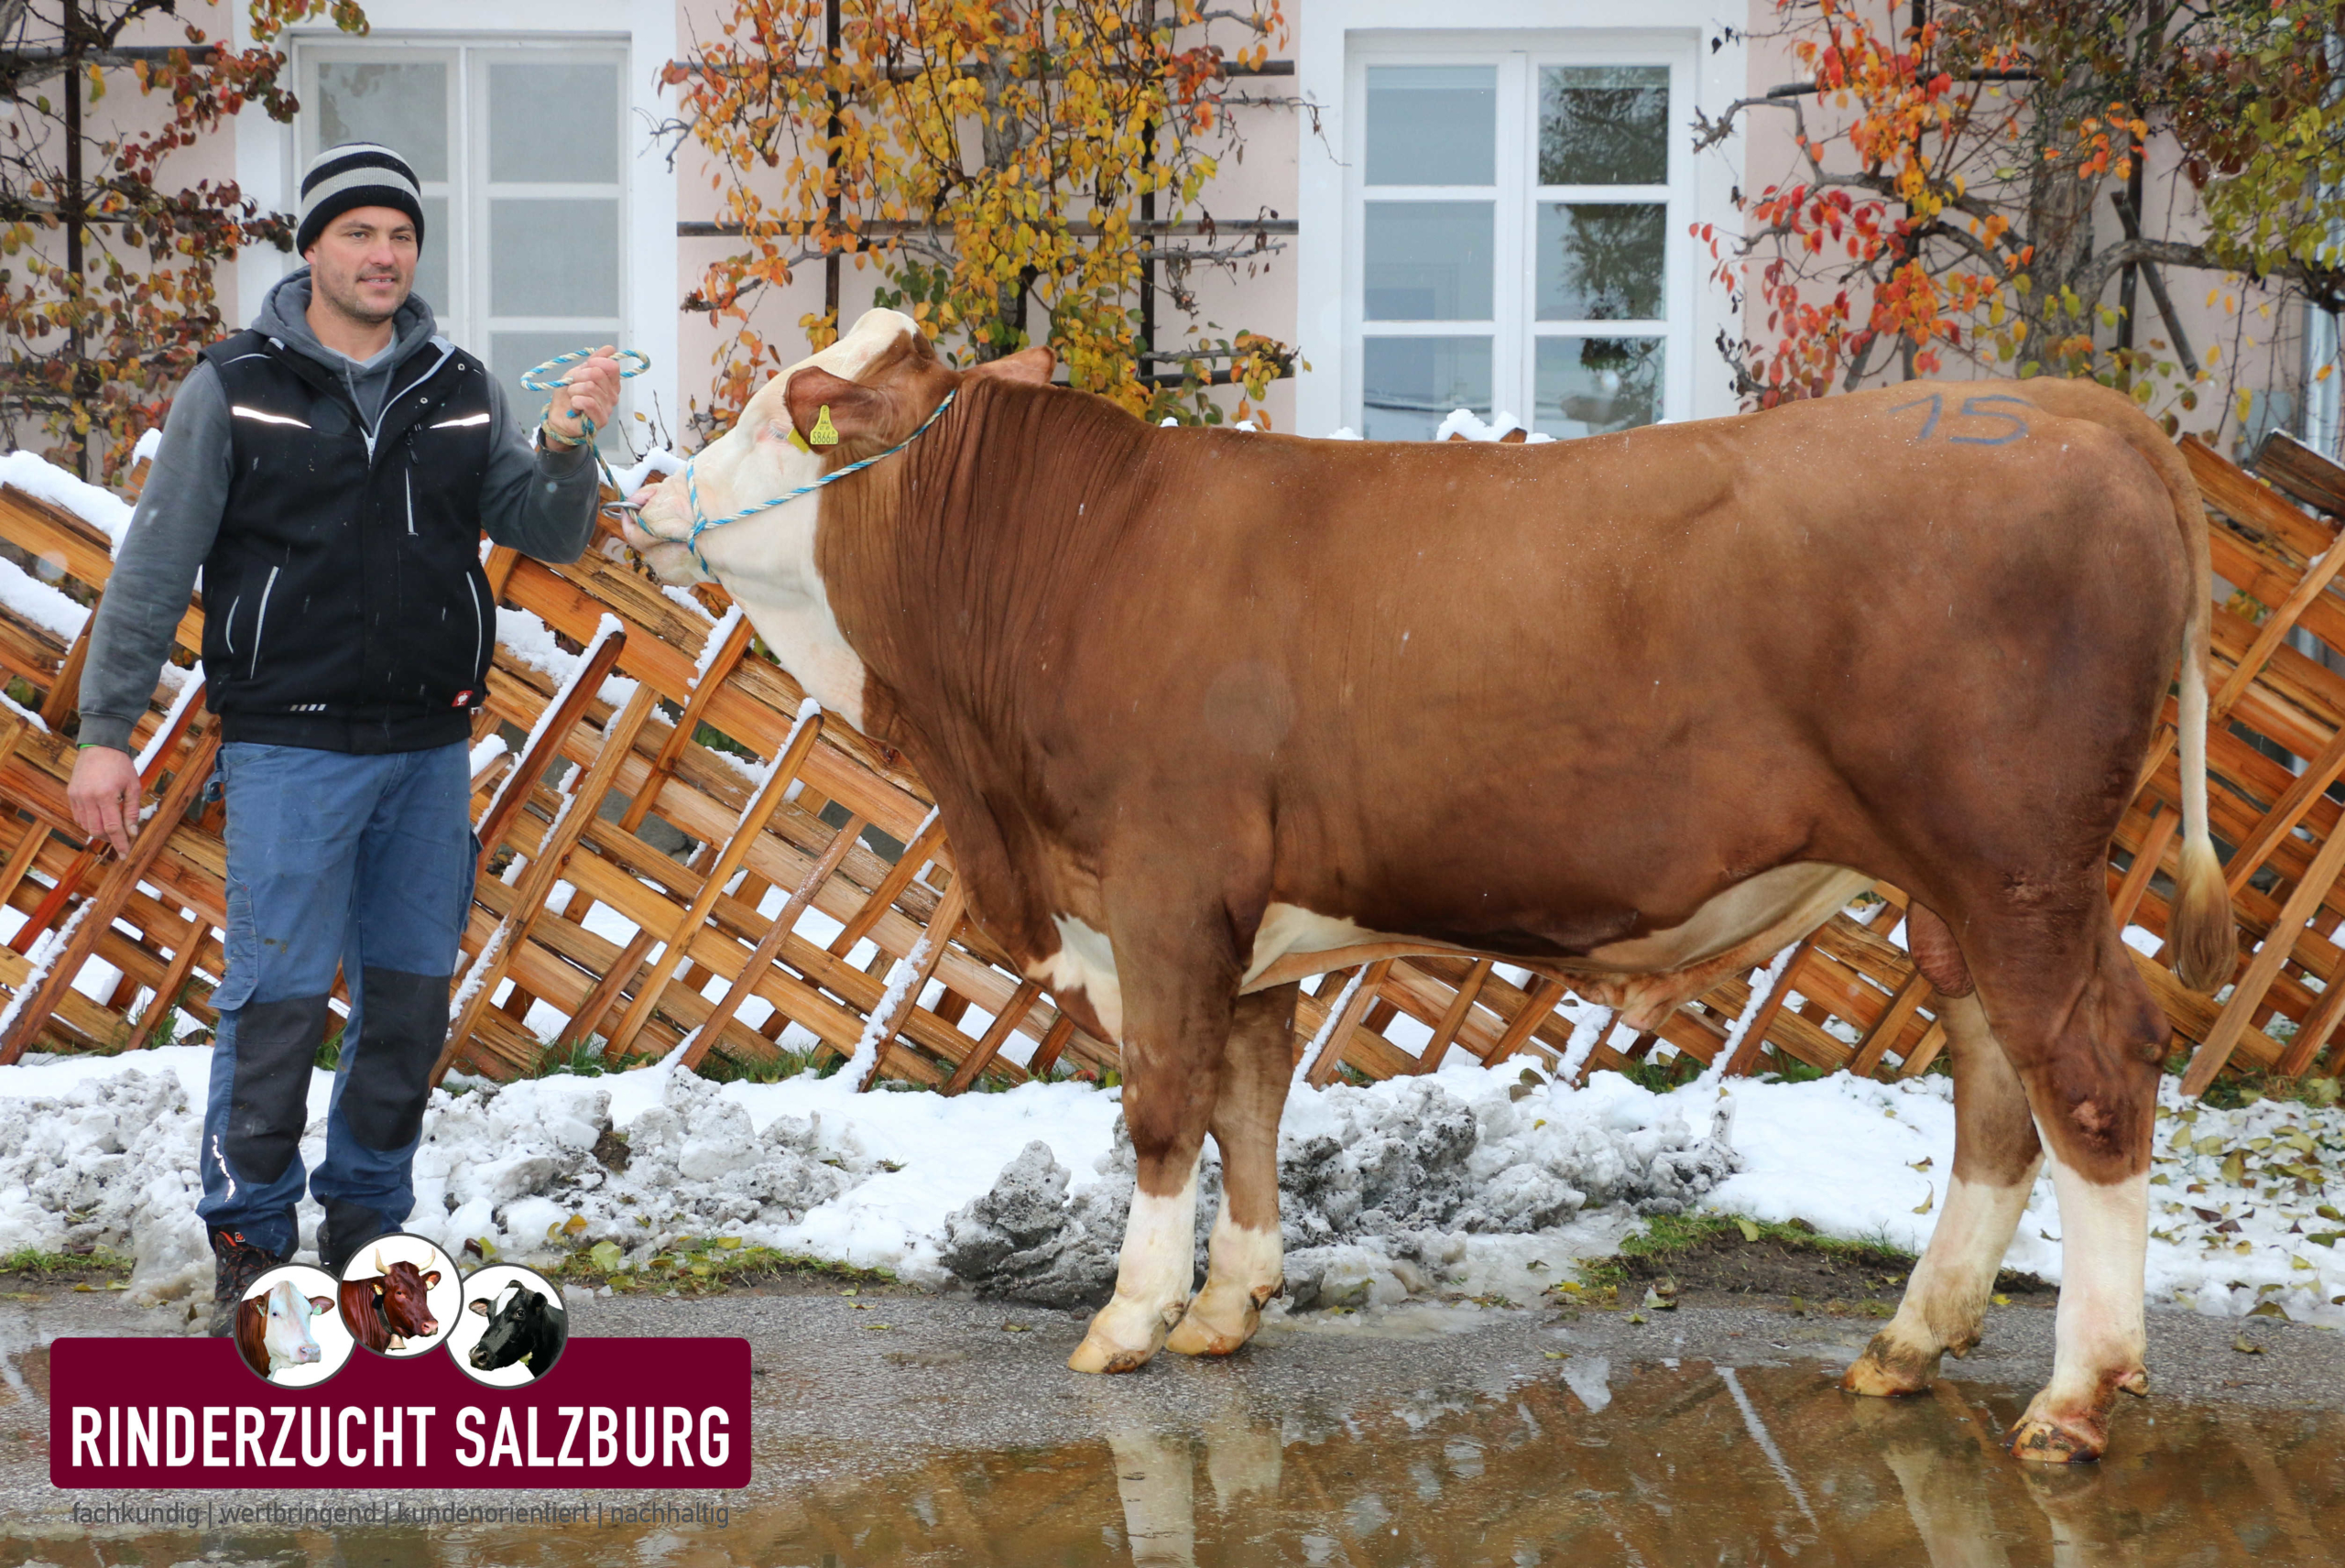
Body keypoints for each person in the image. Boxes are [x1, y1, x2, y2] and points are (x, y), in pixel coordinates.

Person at [65, 142, 622, 1332]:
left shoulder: (462, 386)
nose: (384, 255)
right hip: (290, 746)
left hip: (427, 750)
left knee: (410, 1003)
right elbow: (155, 566)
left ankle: (368, 1225)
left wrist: (572, 443)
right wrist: (106, 731)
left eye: (401, 235)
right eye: (360, 233)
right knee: (272, 1001)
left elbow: (549, 532)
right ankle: (252, 1242)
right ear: (313, 247)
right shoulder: (238, 386)